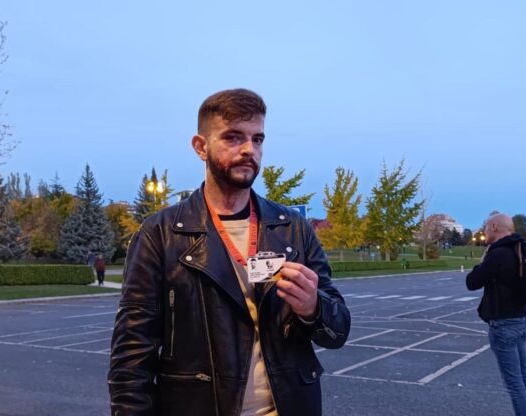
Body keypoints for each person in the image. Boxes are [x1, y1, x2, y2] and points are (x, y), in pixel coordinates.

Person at [108, 88, 350, 415]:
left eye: (257, 139)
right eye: (233, 137)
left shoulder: (292, 229)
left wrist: (313, 308)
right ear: (200, 147)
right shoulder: (161, 233)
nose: (249, 149)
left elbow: (337, 331)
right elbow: (131, 355)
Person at [466, 213, 526, 416]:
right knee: (524, 378)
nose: (484, 232)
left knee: (514, 384)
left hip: (503, 324)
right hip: (521, 319)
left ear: (494, 226)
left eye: (486, 227)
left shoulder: (498, 253)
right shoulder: (519, 248)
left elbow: (472, 282)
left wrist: (482, 261)